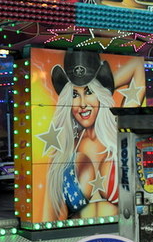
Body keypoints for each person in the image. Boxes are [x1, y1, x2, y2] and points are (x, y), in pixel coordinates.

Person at [42, 51, 145, 221]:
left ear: (100, 94)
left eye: (89, 92)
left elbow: (137, 66)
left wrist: (105, 85)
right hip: (78, 232)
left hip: (118, 230)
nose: (82, 104)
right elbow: (50, 215)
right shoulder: (63, 149)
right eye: (74, 95)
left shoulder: (118, 128)